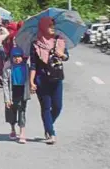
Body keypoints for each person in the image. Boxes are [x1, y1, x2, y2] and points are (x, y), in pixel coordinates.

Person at [29, 17, 69, 145]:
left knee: (57, 106)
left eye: (53, 25)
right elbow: (33, 65)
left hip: (56, 78)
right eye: (50, 25)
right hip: (41, 79)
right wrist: (31, 81)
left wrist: (61, 54)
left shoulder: (59, 41)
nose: (52, 28)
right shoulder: (35, 44)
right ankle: (51, 133)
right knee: (46, 107)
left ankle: (48, 125)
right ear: (43, 27)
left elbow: (67, 56)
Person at [3, 44, 31, 144]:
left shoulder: (26, 67)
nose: (17, 59)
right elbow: (5, 84)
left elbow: (30, 80)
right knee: (11, 111)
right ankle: (12, 129)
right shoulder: (8, 68)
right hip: (12, 92)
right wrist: (7, 99)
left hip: (22, 92)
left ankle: (22, 132)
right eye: (14, 57)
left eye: (19, 57)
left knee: (22, 111)